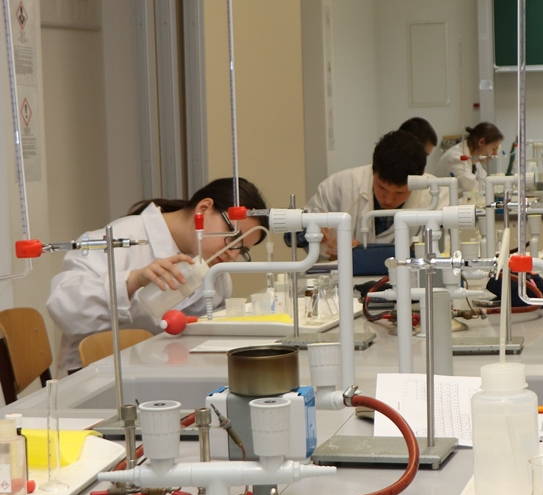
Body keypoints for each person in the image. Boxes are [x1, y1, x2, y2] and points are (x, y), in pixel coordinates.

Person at [48, 178, 269, 374]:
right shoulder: (121, 237)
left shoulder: (215, 272)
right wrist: (132, 281)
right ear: (203, 208)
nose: (232, 254)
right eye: (233, 238)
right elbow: (63, 306)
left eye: (242, 250)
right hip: (96, 377)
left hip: (164, 373)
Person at [307, 130, 448, 257]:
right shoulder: (340, 185)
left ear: (419, 180)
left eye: (399, 193)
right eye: (381, 188)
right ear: (373, 170)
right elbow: (297, 234)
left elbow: (441, 250)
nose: (389, 199)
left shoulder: (436, 194)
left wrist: (363, 253)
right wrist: (312, 231)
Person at [431, 122, 503, 193]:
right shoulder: (456, 158)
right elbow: (472, 188)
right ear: (481, 142)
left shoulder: (474, 158)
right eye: (494, 149)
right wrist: (487, 185)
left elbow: (485, 181)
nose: (495, 154)